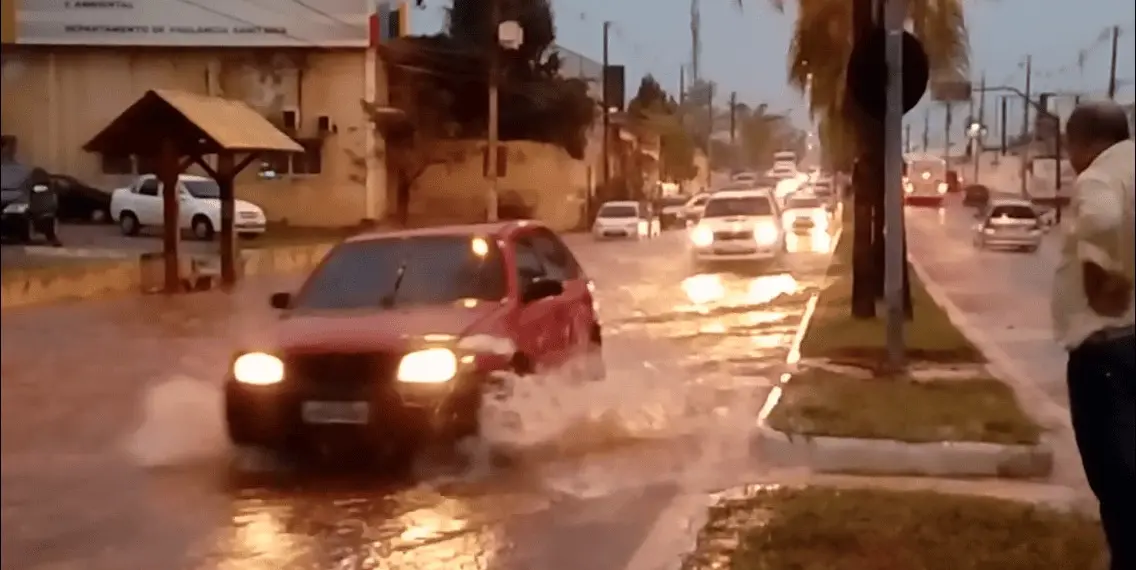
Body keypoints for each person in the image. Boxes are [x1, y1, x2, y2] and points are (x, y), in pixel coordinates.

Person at [1054, 101, 1134, 570]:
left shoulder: (1099, 177)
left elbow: (1102, 220)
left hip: (1106, 351)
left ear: (1082, 141)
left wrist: (1100, 278)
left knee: (1116, 477)